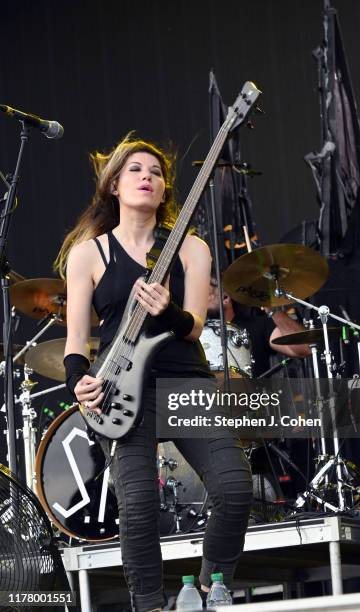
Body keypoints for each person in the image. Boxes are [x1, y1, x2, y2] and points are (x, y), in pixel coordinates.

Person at [55, 133, 253, 612]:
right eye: (136, 170)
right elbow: (77, 342)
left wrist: (166, 312)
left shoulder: (191, 248)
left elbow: (193, 326)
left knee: (233, 485)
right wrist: (78, 381)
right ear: (114, 186)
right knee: (139, 508)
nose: (148, 177)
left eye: (157, 173)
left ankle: (209, 589)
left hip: (183, 379)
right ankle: (148, 605)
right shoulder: (88, 255)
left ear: (165, 191)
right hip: (120, 388)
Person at [207, 276, 310, 378]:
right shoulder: (194, 333)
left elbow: (303, 348)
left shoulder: (257, 324)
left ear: (225, 298)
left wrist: (273, 310)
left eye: (205, 291)